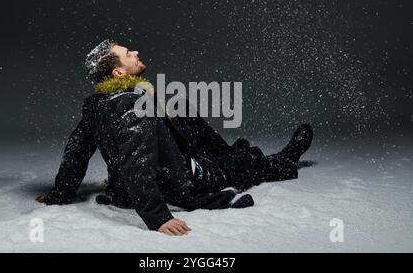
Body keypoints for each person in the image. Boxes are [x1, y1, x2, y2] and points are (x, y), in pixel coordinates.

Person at [36, 39, 313, 236]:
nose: (134, 51)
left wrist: (61, 193)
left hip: (164, 163)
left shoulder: (98, 105)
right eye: (126, 53)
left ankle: (224, 154)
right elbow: (137, 163)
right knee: (249, 163)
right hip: (181, 179)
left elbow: (76, 150)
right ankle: (286, 159)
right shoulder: (133, 107)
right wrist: (157, 217)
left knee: (178, 109)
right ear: (118, 72)